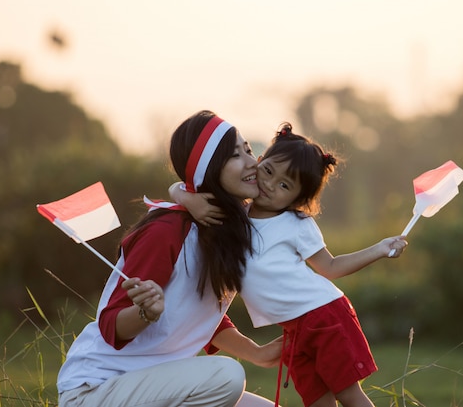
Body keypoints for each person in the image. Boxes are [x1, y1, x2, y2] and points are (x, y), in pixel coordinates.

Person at [170, 123, 408, 407]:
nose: (270, 185)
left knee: (348, 395)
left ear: (298, 199)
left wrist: (379, 249)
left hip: (325, 317)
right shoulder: (237, 214)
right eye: (269, 171)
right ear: (259, 161)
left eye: (285, 185)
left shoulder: (296, 224)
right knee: (317, 400)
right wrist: (188, 200)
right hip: (294, 329)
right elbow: (176, 187)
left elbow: (330, 267)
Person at [57, 110, 282, 407]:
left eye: (248, 150)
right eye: (235, 155)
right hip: (95, 390)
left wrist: (257, 352)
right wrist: (145, 314)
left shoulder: (224, 230)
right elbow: (111, 324)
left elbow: (196, 313)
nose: (253, 163)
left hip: (152, 386)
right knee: (227, 377)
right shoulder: (166, 231)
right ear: (209, 168)